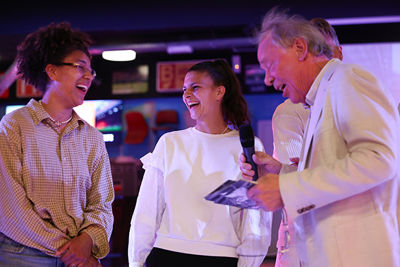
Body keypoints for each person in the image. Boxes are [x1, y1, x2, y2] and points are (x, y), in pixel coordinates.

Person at [240, 8, 400, 267]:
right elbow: (336, 168)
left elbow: (379, 159)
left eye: (269, 65)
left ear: (300, 48)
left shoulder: (347, 79)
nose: (268, 79)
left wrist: (286, 189)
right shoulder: (321, 97)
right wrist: (281, 171)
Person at [128, 59, 272, 267]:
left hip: (221, 257)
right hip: (166, 254)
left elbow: (254, 219)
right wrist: (136, 262)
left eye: (195, 88)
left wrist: (249, 263)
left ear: (219, 92)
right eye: (184, 89)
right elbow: (146, 212)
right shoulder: (170, 143)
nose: (186, 95)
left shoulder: (246, 146)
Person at [0, 22, 114, 267]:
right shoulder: (14, 126)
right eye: (79, 67)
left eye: (90, 71)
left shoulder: (92, 138)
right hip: (23, 254)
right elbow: (9, 205)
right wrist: (71, 250)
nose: (88, 76)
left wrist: (86, 241)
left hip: (79, 255)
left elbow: (102, 204)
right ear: (51, 71)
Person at [272, 17, 343, 267]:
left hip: (340, 232)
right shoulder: (290, 109)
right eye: (316, 53)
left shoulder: (351, 91)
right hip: (299, 237)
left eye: (327, 53)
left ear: (339, 55)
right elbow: (296, 166)